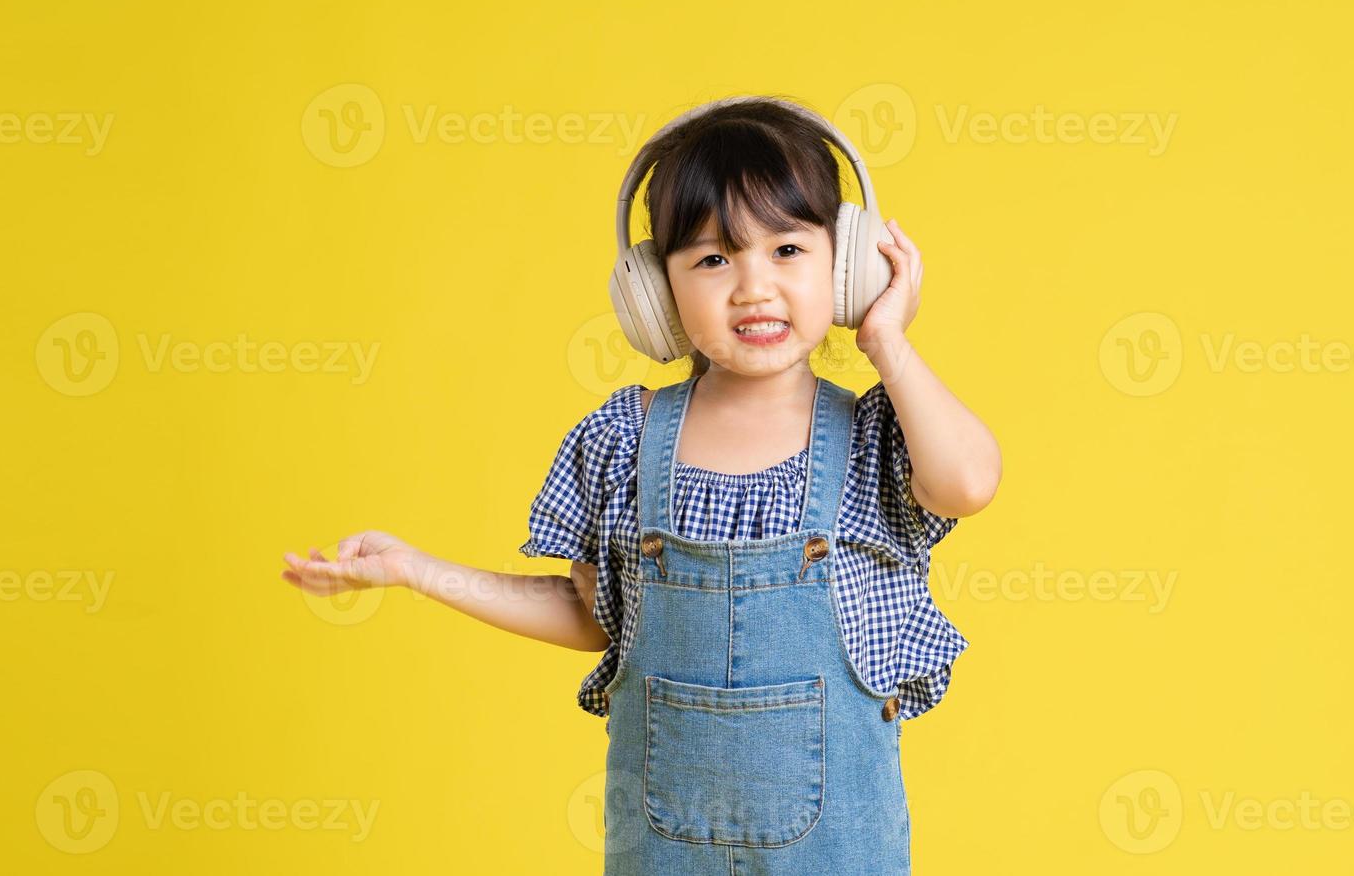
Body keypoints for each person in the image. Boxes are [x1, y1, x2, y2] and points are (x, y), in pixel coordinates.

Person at [281, 96, 1001, 873]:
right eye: (712, 259)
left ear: (848, 264)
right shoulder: (623, 439)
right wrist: (411, 570)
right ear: (654, 294)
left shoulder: (873, 436)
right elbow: (594, 617)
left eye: (787, 250)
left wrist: (884, 338)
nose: (752, 287)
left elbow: (965, 483)